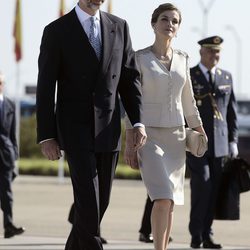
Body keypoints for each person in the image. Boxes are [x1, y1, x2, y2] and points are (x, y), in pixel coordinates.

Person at [36, 0, 147, 249]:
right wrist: (46, 135)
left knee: (99, 202)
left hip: (108, 128)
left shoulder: (120, 27)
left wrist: (138, 121)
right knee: (88, 202)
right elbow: (45, 87)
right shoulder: (56, 30)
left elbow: (130, 80)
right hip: (74, 129)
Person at [124, 3, 206, 250]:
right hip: (147, 137)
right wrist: (130, 141)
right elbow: (131, 102)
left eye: (174, 21)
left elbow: (188, 101)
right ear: (153, 24)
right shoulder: (139, 58)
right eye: (164, 19)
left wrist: (199, 129)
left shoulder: (183, 59)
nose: (169, 24)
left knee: (170, 202)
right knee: (162, 197)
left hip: (176, 138)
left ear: (178, 28)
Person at [187, 36, 238, 249]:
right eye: (210, 51)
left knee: (215, 189)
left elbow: (232, 113)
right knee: (203, 186)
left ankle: (207, 234)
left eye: (217, 52)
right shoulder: (190, 75)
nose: (214, 55)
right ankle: (196, 234)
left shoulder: (226, 76)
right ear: (201, 52)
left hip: (221, 145)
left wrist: (233, 141)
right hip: (198, 143)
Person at [0, 72, 25, 238]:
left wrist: (14, 157)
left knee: (7, 193)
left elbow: (12, 134)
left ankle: (8, 226)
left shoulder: (10, 104)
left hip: (5, 156)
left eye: (0, 82)